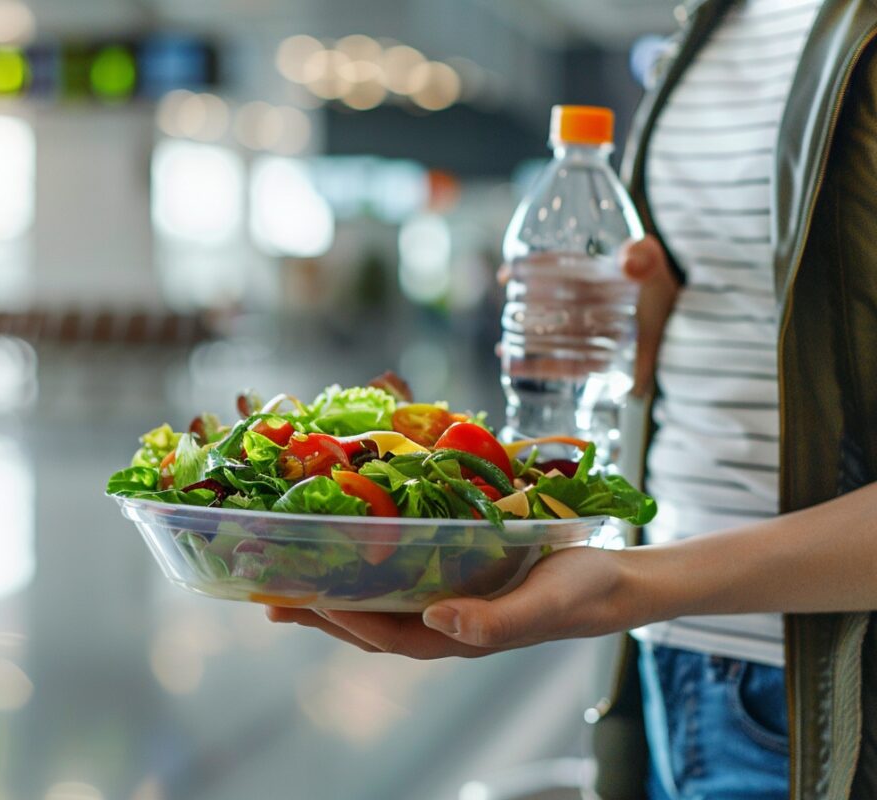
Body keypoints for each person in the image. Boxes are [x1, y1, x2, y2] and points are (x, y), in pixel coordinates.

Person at [268, 0, 877, 797]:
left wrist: (634, 582)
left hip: (837, 698)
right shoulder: (720, 17)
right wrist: (647, 322)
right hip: (672, 664)